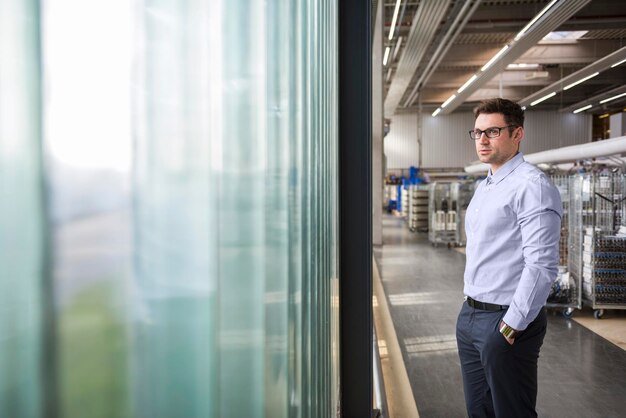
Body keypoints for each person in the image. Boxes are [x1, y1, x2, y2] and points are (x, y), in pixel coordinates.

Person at [456, 98, 562, 418]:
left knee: (511, 411)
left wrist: (511, 326)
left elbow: (541, 266)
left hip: (505, 321)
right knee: (480, 411)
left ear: (517, 134)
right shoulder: (485, 186)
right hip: (471, 314)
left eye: (493, 131)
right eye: (477, 133)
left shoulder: (532, 186)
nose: (483, 140)